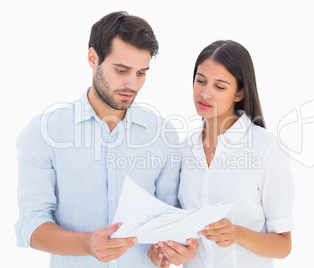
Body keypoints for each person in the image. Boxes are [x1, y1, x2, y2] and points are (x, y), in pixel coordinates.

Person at [15, 11, 197, 267]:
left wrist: (171, 248)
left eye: (141, 73)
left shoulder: (163, 134)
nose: (132, 84)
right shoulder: (45, 132)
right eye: (121, 70)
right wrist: (86, 244)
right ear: (93, 58)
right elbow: (30, 224)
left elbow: (168, 217)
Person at [177, 40, 295, 267]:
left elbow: (283, 245)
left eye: (219, 87)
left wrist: (237, 234)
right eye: (200, 81)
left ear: (239, 93)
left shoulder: (266, 148)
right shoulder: (184, 149)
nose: (205, 93)